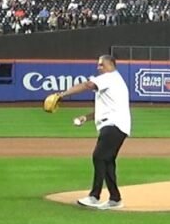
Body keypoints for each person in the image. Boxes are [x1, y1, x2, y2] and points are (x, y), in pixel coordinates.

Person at [50, 54, 131, 210]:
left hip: (114, 125)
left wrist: (61, 95)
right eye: (98, 64)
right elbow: (106, 108)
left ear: (111, 65)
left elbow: (87, 85)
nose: (98, 67)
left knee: (98, 156)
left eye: (101, 64)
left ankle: (94, 196)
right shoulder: (112, 81)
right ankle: (115, 199)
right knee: (107, 161)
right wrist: (85, 118)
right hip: (116, 125)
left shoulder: (110, 77)